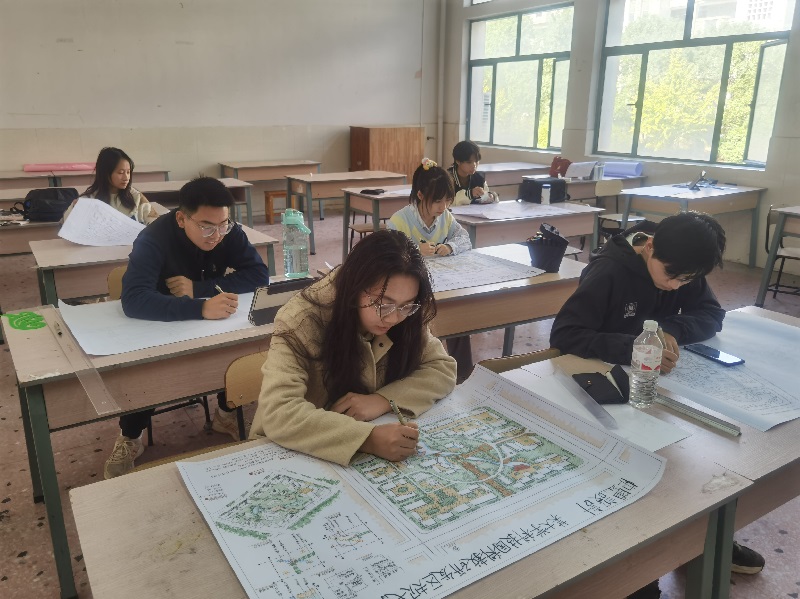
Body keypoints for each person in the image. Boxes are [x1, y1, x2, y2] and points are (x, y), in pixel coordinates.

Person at [549, 211, 765, 598]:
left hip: (658, 388)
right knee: (632, 478)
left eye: (687, 281)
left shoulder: (680, 264)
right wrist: (632, 346)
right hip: (604, 391)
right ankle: (638, 569)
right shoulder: (609, 272)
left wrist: (670, 330)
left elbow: (712, 314)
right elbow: (565, 334)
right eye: (672, 276)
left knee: (692, 460)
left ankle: (700, 537)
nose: (675, 286)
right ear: (649, 246)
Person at [103, 176, 269, 479]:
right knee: (146, 369)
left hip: (207, 317)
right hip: (158, 321)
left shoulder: (226, 230)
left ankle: (225, 414)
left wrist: (200, 289)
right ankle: (131, 435)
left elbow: (259, 274)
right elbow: (134, 300)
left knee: (235, 347)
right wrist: (200, 308)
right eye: (206, 227)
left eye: (223, 225)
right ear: (181, 219)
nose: (216, 235)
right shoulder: (153, 239)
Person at [250, 229, 457, 465]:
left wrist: (382, 400)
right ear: (355, 287)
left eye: (406, 305)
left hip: (354, 447)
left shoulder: (404, 311)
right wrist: (367, 439)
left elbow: (442, 368)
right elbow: (279, 411)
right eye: (383, 304)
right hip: (290, 451)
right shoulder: (300, 319)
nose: (393, 318)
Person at [387, 158, 473, 380]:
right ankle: (413, 372)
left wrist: (450, 246)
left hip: (444, 284)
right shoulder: (399, 220)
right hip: (412, 290)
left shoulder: (445, 217)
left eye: (447, 200)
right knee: (416, 322)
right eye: (437, 201)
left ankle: (462, 372)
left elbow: (464, 238)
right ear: (420, 195)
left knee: (459, 313)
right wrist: (415, 251)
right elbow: (388, 256)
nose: (443, 207)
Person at [63, 147, 158, 224]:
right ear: (105, 173)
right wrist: (75, 209)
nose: (126, 177)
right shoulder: (89, 199)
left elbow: (155, 222)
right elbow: (67, 224)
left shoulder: (135, 197)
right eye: (120, 172)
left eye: (128, 172)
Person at [448, 141, 498, 206]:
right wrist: (470, 194)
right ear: (458, 161)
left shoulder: (479, 179)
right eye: (469, 162)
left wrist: (492, 196)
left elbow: (488, 198)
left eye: (476, 161)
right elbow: (447, 203)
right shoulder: (446, 178)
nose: (474, 165)